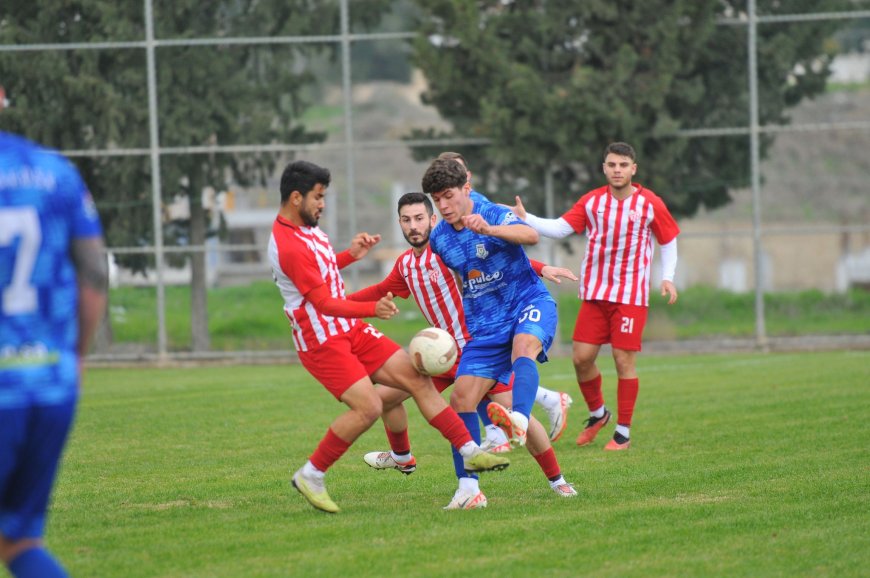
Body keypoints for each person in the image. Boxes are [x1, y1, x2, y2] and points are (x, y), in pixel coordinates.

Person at [268, 160, 509, 514]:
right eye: (318, 197)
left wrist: (351, 255)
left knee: (417, 379)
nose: (322, 204)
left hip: (347, 329)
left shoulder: (307, 227)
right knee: (370, 406)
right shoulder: (287, 245)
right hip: (322, 339)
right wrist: (373, 310)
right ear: (295, 197)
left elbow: (319, 268)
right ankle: (311, 474)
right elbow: (321, 302)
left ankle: (469, 452)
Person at [350, 192, 578, 508]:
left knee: (515, 418)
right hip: (440, 356)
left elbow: (495, 260)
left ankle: (558, 481)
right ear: (400, 223)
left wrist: (540, 268)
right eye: (406, 220)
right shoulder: (405, 265)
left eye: (419, 218)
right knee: (383, 397)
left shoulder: (445, 249)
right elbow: (377, 291)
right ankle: (404, 458)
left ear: (432, 219)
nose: (413, 226)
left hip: (476, 348)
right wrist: (335, 304)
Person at [510, 142, 680, 450]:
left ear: (633, 169)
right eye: (612, 164)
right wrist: (527, 218)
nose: (617, 170)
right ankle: (598, 414)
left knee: (622, 359)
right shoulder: (592, 202)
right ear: (604, 168)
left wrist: (667, 278)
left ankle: (623, 433)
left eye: (623, 165)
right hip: (595, 294)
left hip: (630, 296)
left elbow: (668, 240)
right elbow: (561, 228)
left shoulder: (649, 203)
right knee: (581, 358)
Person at [420, 157, 569, 507]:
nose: (443, 205)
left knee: (524, 348)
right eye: (436, 199)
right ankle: (469, 491)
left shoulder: (491, 211)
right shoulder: (439, 238)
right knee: (461, 400)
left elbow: (529, 234)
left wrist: (488, 230)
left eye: (448, 196)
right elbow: (465, 274)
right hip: (485, 328)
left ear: (466, 189)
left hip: (526, 303)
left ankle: (523, 428)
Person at [1, 130, 109, 578]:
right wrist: (76, 355)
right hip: (49, 380)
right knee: (20, 541)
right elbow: (95, 273)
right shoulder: (54, 170)